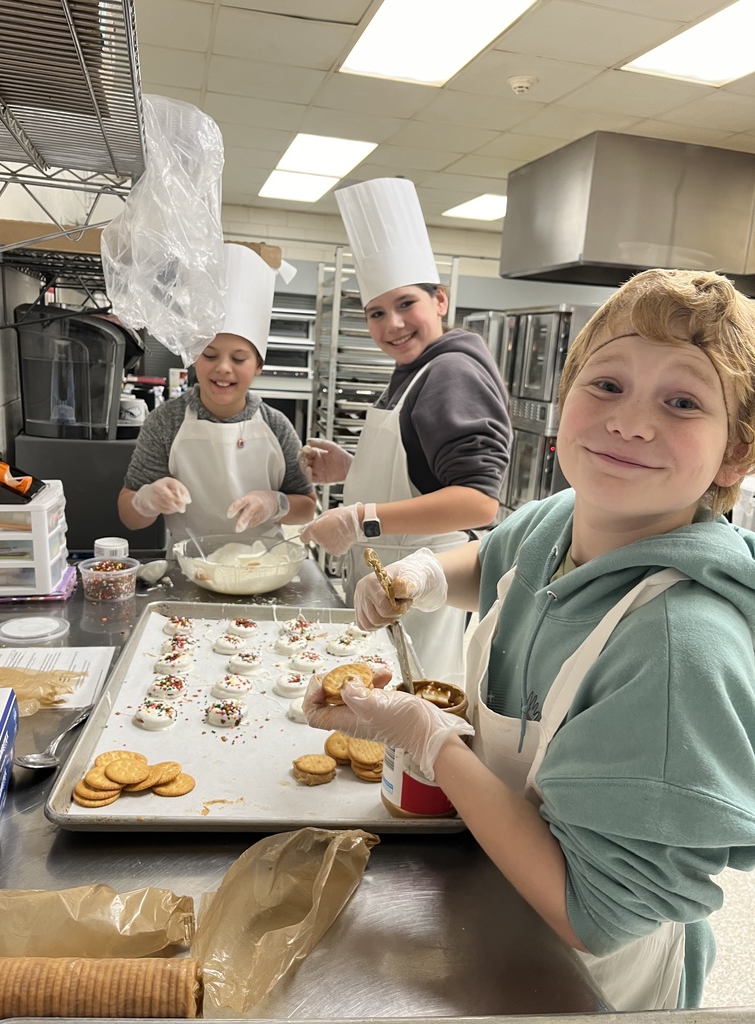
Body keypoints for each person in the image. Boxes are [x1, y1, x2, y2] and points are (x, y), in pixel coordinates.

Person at [304, 268, 755, 1011]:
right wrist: (423, 576)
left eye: (681, 402)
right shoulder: (563, 517)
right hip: (492, 908)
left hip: (580, 987)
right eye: (606, 385)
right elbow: (494, 562)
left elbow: (592, 914)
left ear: (736, 455)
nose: (631, 423)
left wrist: (431, 737)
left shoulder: (678, 649)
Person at [299, 178, 512, 684]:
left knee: (409, 724)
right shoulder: (414, 372)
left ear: (440, 300)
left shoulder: (451, 372)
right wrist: (351, 471)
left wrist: (357, 518)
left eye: (406, 304)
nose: (392, 324)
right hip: (389, 587)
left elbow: (477, 502)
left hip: (422, 590)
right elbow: (424, 476)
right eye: (376, 313)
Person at [118, 243, 316, 544]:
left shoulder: (276, 426)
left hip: (264, 565)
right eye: (209, 355)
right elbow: (129, 518)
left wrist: (275, 503)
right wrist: (146, 500)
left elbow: (307, 508)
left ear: (258, 365)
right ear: (194, 357)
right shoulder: (166, 422)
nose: (223, 368)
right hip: (190, 569)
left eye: (238, 359)